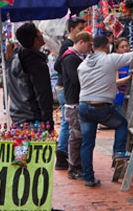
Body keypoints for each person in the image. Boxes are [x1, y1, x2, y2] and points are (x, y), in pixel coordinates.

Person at [77, 35, 133, 187]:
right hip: (101, 106)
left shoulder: (83, 65)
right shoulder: (110, 59)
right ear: (106, 46)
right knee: (121, 123)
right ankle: (118, 151)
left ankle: (88, 178)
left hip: (83, 106)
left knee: (87, 144)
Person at [4, 22, 54, 128]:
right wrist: (48, 122)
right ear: (35, 40)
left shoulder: (15, 60)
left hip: (17, 117)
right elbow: (43, 95)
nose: (41, 33)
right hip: (34, 120)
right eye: (38, 32)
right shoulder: (37, 64)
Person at [53, 16, 86, 170]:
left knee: (69, 123)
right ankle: (62, 156)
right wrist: (68, 73)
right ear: (72, 29)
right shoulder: (68, 46)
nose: (82, 32)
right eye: (80, 29)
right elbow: (58, 65)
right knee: (68, 124)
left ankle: (65, 155)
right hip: (66, 89)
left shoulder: (72, 45)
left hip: (66, 88)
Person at [60, 31, 93, 180]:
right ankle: (74, 166)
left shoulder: (76, 57)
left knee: (78, 135)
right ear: (82, 42)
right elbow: (76, 80)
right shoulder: (71, 58)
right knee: (76, 135)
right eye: (89, 45)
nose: (89, 48)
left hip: (77, 100)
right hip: (73, 101)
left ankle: (77, 164)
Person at [113, 37, 132, 114]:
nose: (125, 48)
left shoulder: (132, 62)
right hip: (119, 99)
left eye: (127, 46)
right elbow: (116, 82)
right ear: (117, 50)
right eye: (122, 47)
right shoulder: (115, 64)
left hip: (131, 99)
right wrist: (129, 78)